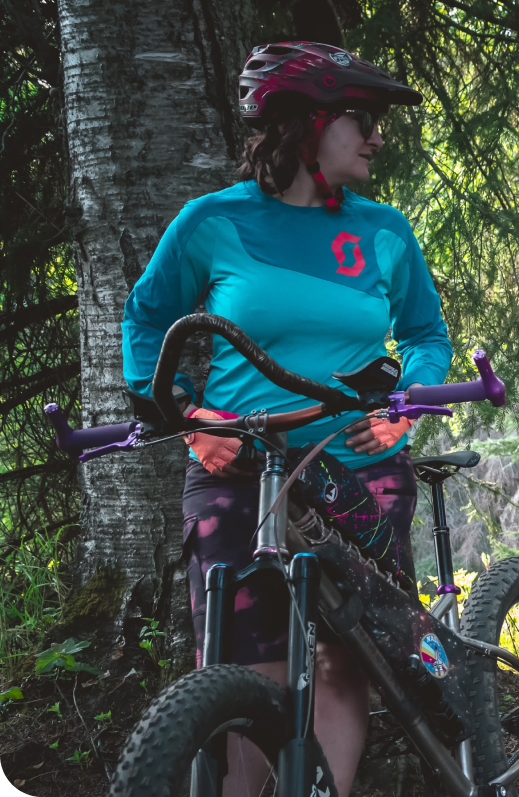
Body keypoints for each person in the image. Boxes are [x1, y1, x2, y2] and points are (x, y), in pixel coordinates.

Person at [122, 42, 449, 797]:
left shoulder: (385, 231)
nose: (375, 136)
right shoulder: (212, 220)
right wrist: (187, 417)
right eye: (360, 119)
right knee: (242, 668)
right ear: (306, 124)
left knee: (350, 654)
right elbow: (146, 319)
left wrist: (406, 409)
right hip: (239, 470)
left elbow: (427, 338)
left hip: (361, 467)